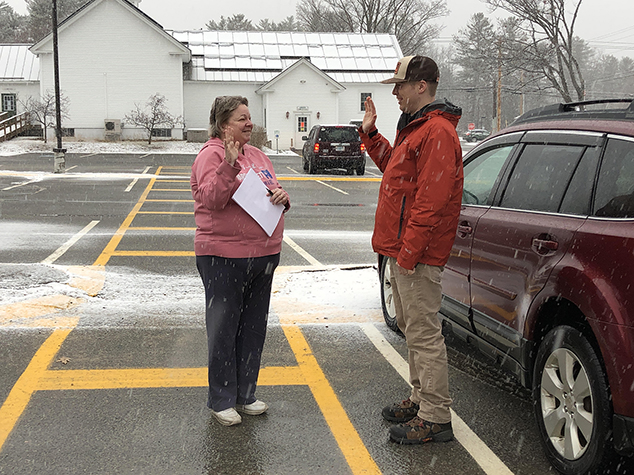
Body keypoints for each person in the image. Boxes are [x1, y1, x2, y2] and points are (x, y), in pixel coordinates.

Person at [359, 56, 463, 444]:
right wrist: (371, 135)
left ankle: (435, 417)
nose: (394, 91)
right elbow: (396, 172)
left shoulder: (437, 132)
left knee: (423, 333)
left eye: (400, 85)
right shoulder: (416, 129)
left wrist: (408, 255)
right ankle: (422, 398)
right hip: (402, 251)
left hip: (415, 255)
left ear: (422, 86)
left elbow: (430, 203)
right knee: (412, 329)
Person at [191, 96, 290, 426]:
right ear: (223, 125)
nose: (249, 123)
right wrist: (229, 165)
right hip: (223, 256)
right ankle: (221, 399)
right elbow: (212, 199)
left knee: (252, 329)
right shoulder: (211, 154)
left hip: (263, 255)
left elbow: (272, 190)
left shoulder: (258, 155)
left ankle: (245, 394)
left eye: (250, 118)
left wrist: (282, 197)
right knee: (223, 329)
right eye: (241, 118)